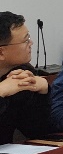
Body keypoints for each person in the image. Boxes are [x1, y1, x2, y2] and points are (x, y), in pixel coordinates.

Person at [0, 11, 50, 145]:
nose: (31, 43)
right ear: (1, 52)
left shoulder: (21, 73)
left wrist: (43, 90)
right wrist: (1, 91)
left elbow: (37, 131)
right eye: (25, 40)